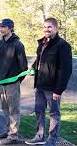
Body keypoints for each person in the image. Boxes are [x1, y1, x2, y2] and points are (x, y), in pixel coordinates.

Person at [25, 18, 72, 146]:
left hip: (53, 88)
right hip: (40, 84)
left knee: (54, 113)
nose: (46, 29)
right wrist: (33, 68)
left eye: (49, 27)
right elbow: (39, 60)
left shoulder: (63, 46)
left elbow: (66, 70)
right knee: (39, 110)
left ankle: (52, 140)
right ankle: (40, 136)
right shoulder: (42, 43)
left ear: (56, 28)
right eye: (45, 27)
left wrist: (58, 90)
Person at [0, 19, 28, 144]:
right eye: (0, 27)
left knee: (14, 109)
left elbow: (23, 67)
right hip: (1, 82)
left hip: (12, 83)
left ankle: (13, 135)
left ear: (10, 28)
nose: (1, 29)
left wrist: (17, 80)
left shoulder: (18, 44)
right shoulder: (1, 43)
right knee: (5, 108)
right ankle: (8, 130)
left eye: (4, 27)